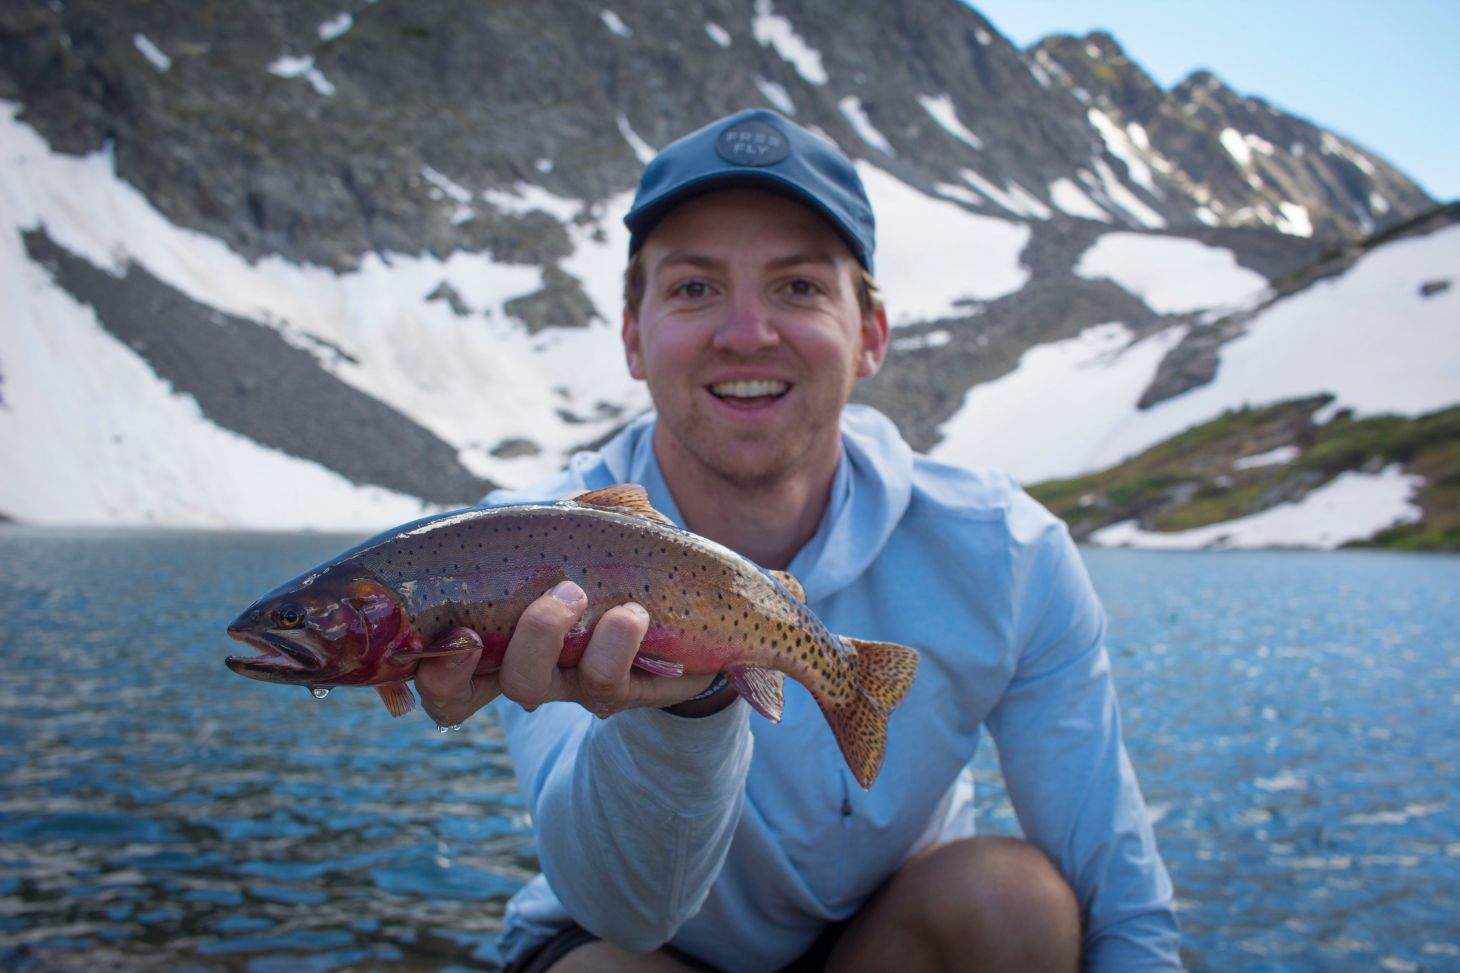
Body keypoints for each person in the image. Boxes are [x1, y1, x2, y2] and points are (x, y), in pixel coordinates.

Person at [416, 108, 1182, 972]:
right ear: (633, 338)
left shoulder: (1007, 551)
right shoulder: (523, 545)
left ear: (872, 337)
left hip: (881, 940)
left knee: (1015, 902)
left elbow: (1115, 887)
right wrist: (692, 708)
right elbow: (627, 909)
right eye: (695, 288)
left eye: (800, 286)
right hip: (627, 944)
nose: (748, 332)